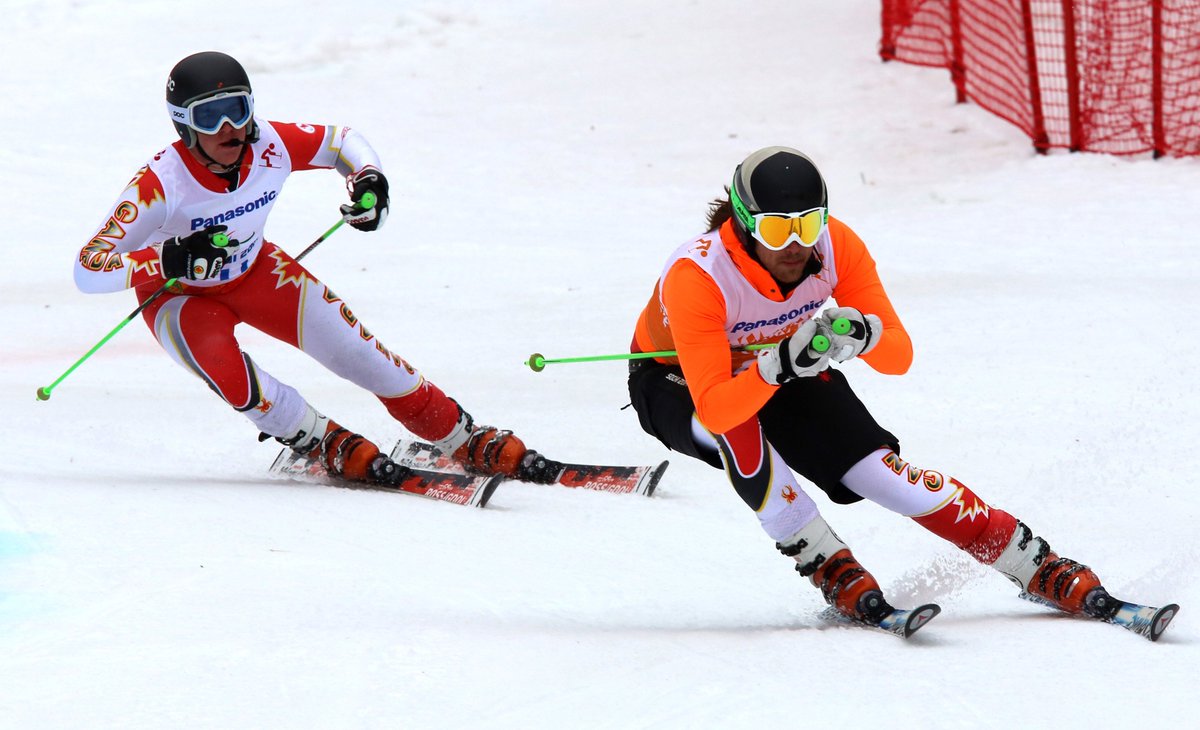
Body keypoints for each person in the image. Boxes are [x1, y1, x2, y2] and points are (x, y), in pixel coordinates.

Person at [628, 145, 1132, 626]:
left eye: (808, 223)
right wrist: (775, 366)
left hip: (780, 362)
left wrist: (865, 335)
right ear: (742, 222)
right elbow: (717, 407)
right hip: (675, 381)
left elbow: (899, 355)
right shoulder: (699, 276)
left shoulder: (835, 245)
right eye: (777, 230)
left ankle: (1031, 562)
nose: (797, 244)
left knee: (879, 474)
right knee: (738, 434)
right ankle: (829, 563)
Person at [74, 51, 560, 486]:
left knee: (362, 354)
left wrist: (369, 182)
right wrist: (166, 257)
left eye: (237, 109)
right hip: (179, 299)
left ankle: (458, 434)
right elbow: (88, 268)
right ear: (183, 125)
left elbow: (342, 142)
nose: (228, 128)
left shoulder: (269, 143)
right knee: (232, 375)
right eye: (210, 116)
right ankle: (318, 439)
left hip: (258, 272)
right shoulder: (160, 183)